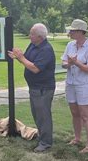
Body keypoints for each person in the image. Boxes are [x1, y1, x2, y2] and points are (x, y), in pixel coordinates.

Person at [8, 23, 55, 153]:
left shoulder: (46, 49)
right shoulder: (34, 45)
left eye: (32, 34)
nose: (30, 36)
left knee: (43, 115)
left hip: (43, 89)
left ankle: (46, 142)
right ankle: (42, 137)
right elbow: (28, 61)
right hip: (34, 87)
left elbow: (35, 68)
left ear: (40, 36)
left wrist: (21, 57)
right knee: (37, 114)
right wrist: (18, 57)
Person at [61, 19, 88, 154]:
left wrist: (76, 63)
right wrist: (69, 64)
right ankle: (77, 138)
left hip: (85, 85)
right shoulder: (70, 45)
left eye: (72, 31)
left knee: (86, 115)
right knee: (74, 112)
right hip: (71, 83)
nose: (70, 33)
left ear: (80, 32)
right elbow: (64, 63)